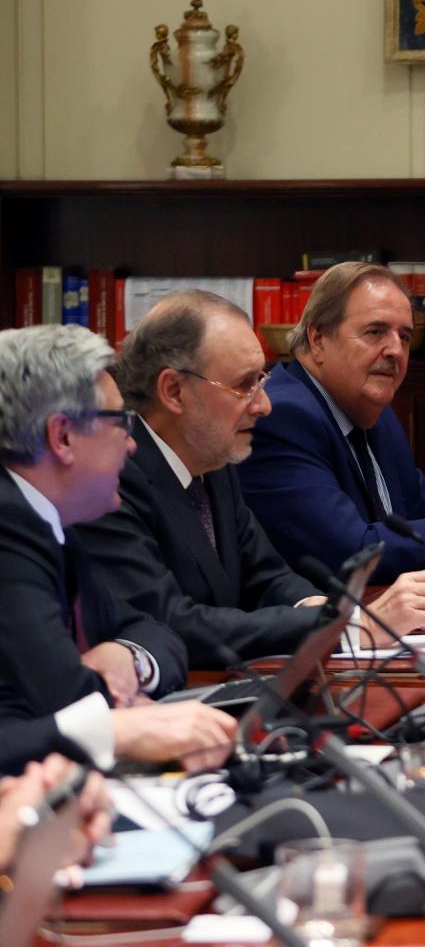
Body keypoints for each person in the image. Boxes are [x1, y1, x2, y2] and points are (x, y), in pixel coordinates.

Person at [78, 291, 425, 668]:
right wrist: (344, 626)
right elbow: (175, 622)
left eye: (262, 379)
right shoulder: (111, 480)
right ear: (174, 391)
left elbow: (268, 576)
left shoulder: (214, 456)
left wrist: (329, 611)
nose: (264, 404)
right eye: (245, 385)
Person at [0, 325, 235, 774]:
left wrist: (130, 658)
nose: (132, 443)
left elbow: (156, 632)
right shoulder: (9, 526)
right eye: (120, 421)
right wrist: (128, 721)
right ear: (63, 437)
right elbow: (67, 699)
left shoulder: (50, 521)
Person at [238, 263, 425, 581]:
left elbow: (418, 509)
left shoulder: (373, 411)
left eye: (405, 336)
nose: (397, 350)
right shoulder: (282, 417)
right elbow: (350, 551)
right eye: (375, 332)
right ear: (318, 339)